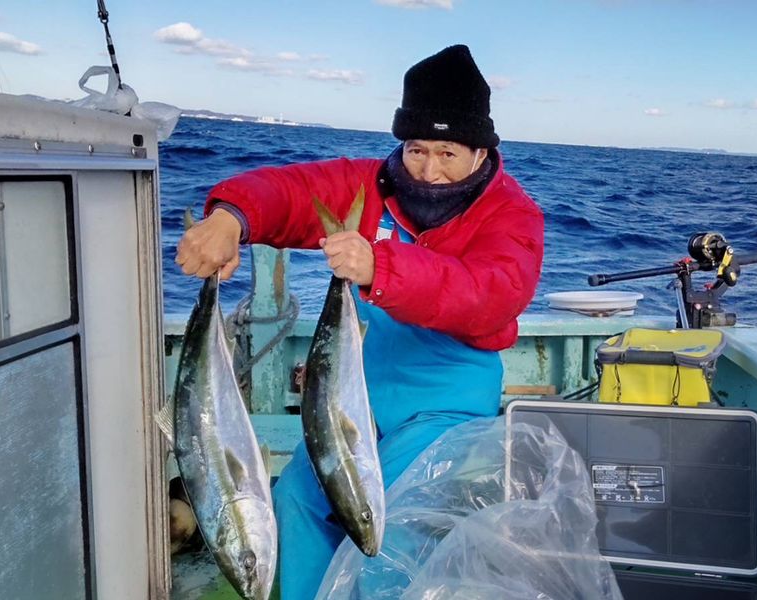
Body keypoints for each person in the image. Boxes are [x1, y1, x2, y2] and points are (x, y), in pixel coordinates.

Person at [175, 44, 544, 600]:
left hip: (448, 397)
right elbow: (290, 193)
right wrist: (232, 217)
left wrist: (383, 265)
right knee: (298, 500)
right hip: (358, 394)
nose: (429, 169)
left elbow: (491, 297)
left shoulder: (513, 214)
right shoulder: (372, 186)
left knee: (388, 521)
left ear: (479, 150)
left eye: (448, 152)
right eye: (417, 149)